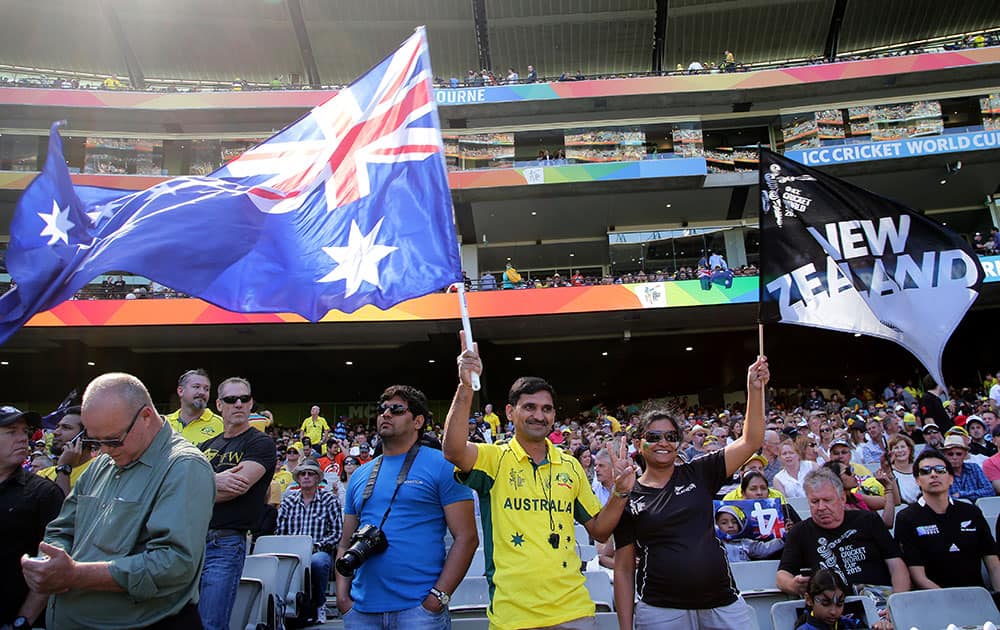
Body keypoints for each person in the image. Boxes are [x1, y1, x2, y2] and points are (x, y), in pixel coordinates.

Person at [443, 333, 636, 629]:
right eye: (529, 407)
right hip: (514, 617)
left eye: (546, 409)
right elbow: (454, 450)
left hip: (574, 613)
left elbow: (599, 530)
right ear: (510, 412)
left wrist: (620, 493)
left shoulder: (570, 466)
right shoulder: (494, 460)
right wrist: (466, 385)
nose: (539, 415)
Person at [22, 373, 215, 629]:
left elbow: (174, 565)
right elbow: (62, 528)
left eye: (112, 439)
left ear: (146, 417)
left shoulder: (183, 467)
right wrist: (50, 562)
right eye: (95, 440)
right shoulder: (103, 462)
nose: (105, 449)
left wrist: (76, 575)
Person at [611, 356, 769, 630]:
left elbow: (751, 440)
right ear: (639, 443)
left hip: (722, 601)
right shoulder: (627, 494)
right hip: (660, 609)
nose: (663, 442)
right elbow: (624, 569)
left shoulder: (700, 471)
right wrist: (626, 628)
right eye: (653, 437)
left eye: (671, 437)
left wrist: (754, 389)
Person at [336, 385, 477, 629]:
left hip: (418, 611)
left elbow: (467, 537)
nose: (386, 414)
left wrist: (437, 598)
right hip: (361, 610)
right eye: (382, 409)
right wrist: (342, 598)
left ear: (418, 421)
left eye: (397, 409)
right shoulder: (360, 474)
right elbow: (344, 542)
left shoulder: (443, 466)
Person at [197, 377, 277, 630]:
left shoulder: (260, 443)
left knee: (211, 623)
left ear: (251, 403)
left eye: (245, 398)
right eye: (232, 399)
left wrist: (198, 486)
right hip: (192, 540)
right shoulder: (205, 446)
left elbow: (236, 487)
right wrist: (215, 482)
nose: (239, 404)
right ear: (219, 405)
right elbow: (176, 488)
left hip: (226, 542)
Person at [776, 468, 910, 597]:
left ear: (842, 499)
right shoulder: (800, 532)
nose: (821, 507)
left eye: (827, 500)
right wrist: (792, 585)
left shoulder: (868, 520)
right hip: (831, 606)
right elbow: (782, 575)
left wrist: (897, 601)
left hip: (880, 600)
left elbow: (896, 566)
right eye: (814, 502)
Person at [894, 449, 1000, 590]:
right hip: (934, 600)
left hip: (977, 598)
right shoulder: (907, 518)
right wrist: (949, 599)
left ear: (951, 478)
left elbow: (992, 563)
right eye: (925, 471)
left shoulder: (971, 512)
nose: (933, 474)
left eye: (940, 470)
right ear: (917, 480)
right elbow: (918, 575)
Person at [1, 406, 63, 629]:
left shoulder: (44, 493)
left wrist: (23, 621)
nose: (22, 439)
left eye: (25, 432)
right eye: (11, 431)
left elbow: (51, 565)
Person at [276, 459, 343, 624]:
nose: (306, 477)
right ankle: (281, 609)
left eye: (310, 474)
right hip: (292, 552)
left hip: (318, 550)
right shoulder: (288, 501)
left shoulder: (330, 500)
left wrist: (317, 546)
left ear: (318, 478)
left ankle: (320, 605)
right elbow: (280, 532)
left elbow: (336, 532)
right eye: (302, 474)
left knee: (318, 562)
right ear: (297, 478)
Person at [795, 569, 887, 630]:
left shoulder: (851, 624)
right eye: (825, 603)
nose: (834, 612)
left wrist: (880, 627)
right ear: (809, 599)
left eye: (840, 603)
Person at [35, 405, 94, 495]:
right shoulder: (43, 474)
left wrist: (64, 468)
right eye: (57, 427)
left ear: (85, 435)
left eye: (66, 427)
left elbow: (66, 508)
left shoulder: (100, 470)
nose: (56, 432)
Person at [165, 369, 223, 445]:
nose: (202, 392)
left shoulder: (222, 425)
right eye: (196, 387)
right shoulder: (164, 424)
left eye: (206, 389)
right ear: (180, 391)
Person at [715, 504, 784, 562]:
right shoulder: (712, 543)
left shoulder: (745, 543)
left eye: (734, 522)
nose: (730, 525)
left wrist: (783, 539)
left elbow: (764, 549)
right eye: (724, 523)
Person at [941, 434, 995, 502]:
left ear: (965, 454)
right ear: (944, 455)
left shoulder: (975, 468)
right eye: (950, 454)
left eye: (959, 454)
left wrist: (961, 494)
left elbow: (990, 491)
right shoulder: (940, 472)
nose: (954, 457)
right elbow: (943, 498)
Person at [886, 434, 920, 504]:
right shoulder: (888, 472)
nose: (900, 450)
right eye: (896, 448)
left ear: (909, 449)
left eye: (903, 447)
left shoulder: (919, 468)